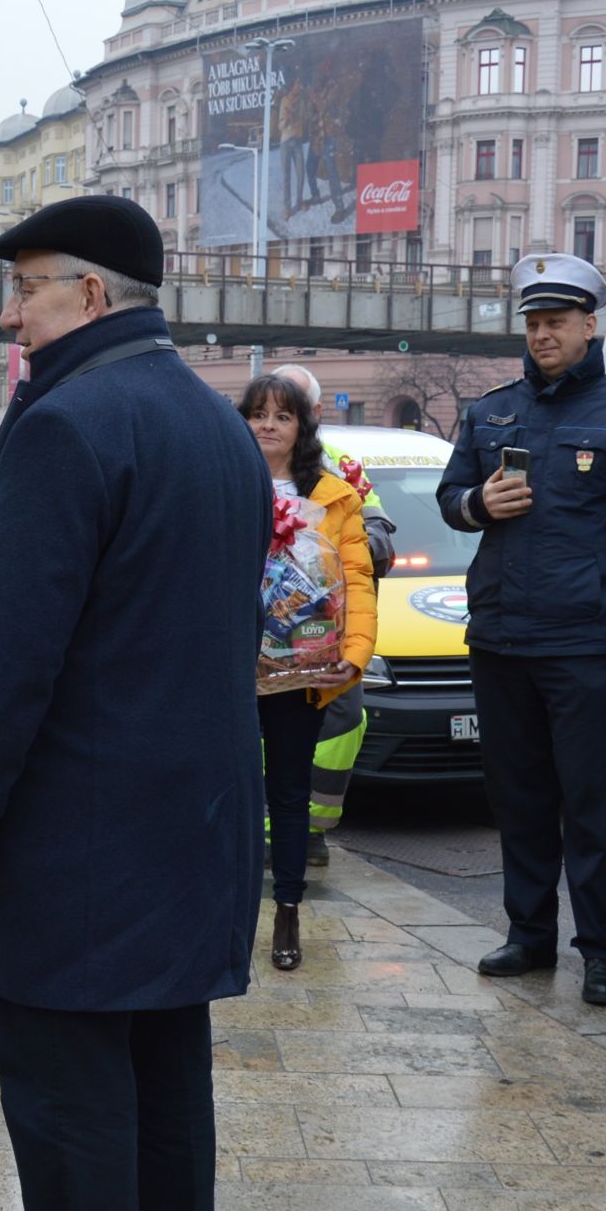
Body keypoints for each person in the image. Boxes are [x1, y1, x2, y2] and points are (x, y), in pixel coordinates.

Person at [0, 195, 270, 1211]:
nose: (10, 312)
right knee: (165, 1053)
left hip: (77, 825)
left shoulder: (68, 422)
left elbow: (15, 652)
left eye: (26, 288)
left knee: (65, 1072)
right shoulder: (213, 421)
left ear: (93, 295)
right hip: (196, 818)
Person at [436, 252, 606, 1007]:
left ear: (588, 325)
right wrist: (481, 503)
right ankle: (529, 937)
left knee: (591, 807)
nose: (542, 335)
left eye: (556, 323)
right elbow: (450, 497)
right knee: (519, 798)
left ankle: (603, 954)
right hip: (501, 637)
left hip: (582, 643)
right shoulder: (491, 410)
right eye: (533, 324)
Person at [244, 374, 377, 970]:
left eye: (283, 415)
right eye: (257, 414)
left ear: (303, 428)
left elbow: (355, 578)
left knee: (289, 794)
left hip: (301, 668)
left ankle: (288, 909)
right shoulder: (222, 481)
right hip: (230, 668)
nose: (269, 424)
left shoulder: (334, 495)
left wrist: (354, 650)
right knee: (231, 793)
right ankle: (230, 907)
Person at [274, 364, 397, 868]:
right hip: (262, 629)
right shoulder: (241, 458)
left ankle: (314, 828)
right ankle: (262, 821)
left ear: (315, 412)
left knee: (341, 718)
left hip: (325, 627)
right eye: (268, 410)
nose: (279, 422)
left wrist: (333, 554)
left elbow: (378, 534)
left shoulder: (342, 465)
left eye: (293, 407)